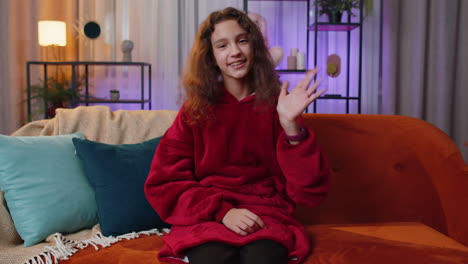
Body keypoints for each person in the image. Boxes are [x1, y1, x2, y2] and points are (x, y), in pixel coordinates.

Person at [144, 7, 330, 264]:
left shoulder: (281, 104)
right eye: (222, 45)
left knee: (262, 258)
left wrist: (291, 127)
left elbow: (310, 193)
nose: (235, 52)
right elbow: (164, 182)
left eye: (242, 40)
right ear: (211, 56)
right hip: (209, 214)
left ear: (253, 46)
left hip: (268, 213)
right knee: (214, 259)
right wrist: (223, 212)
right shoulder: (194, 111)